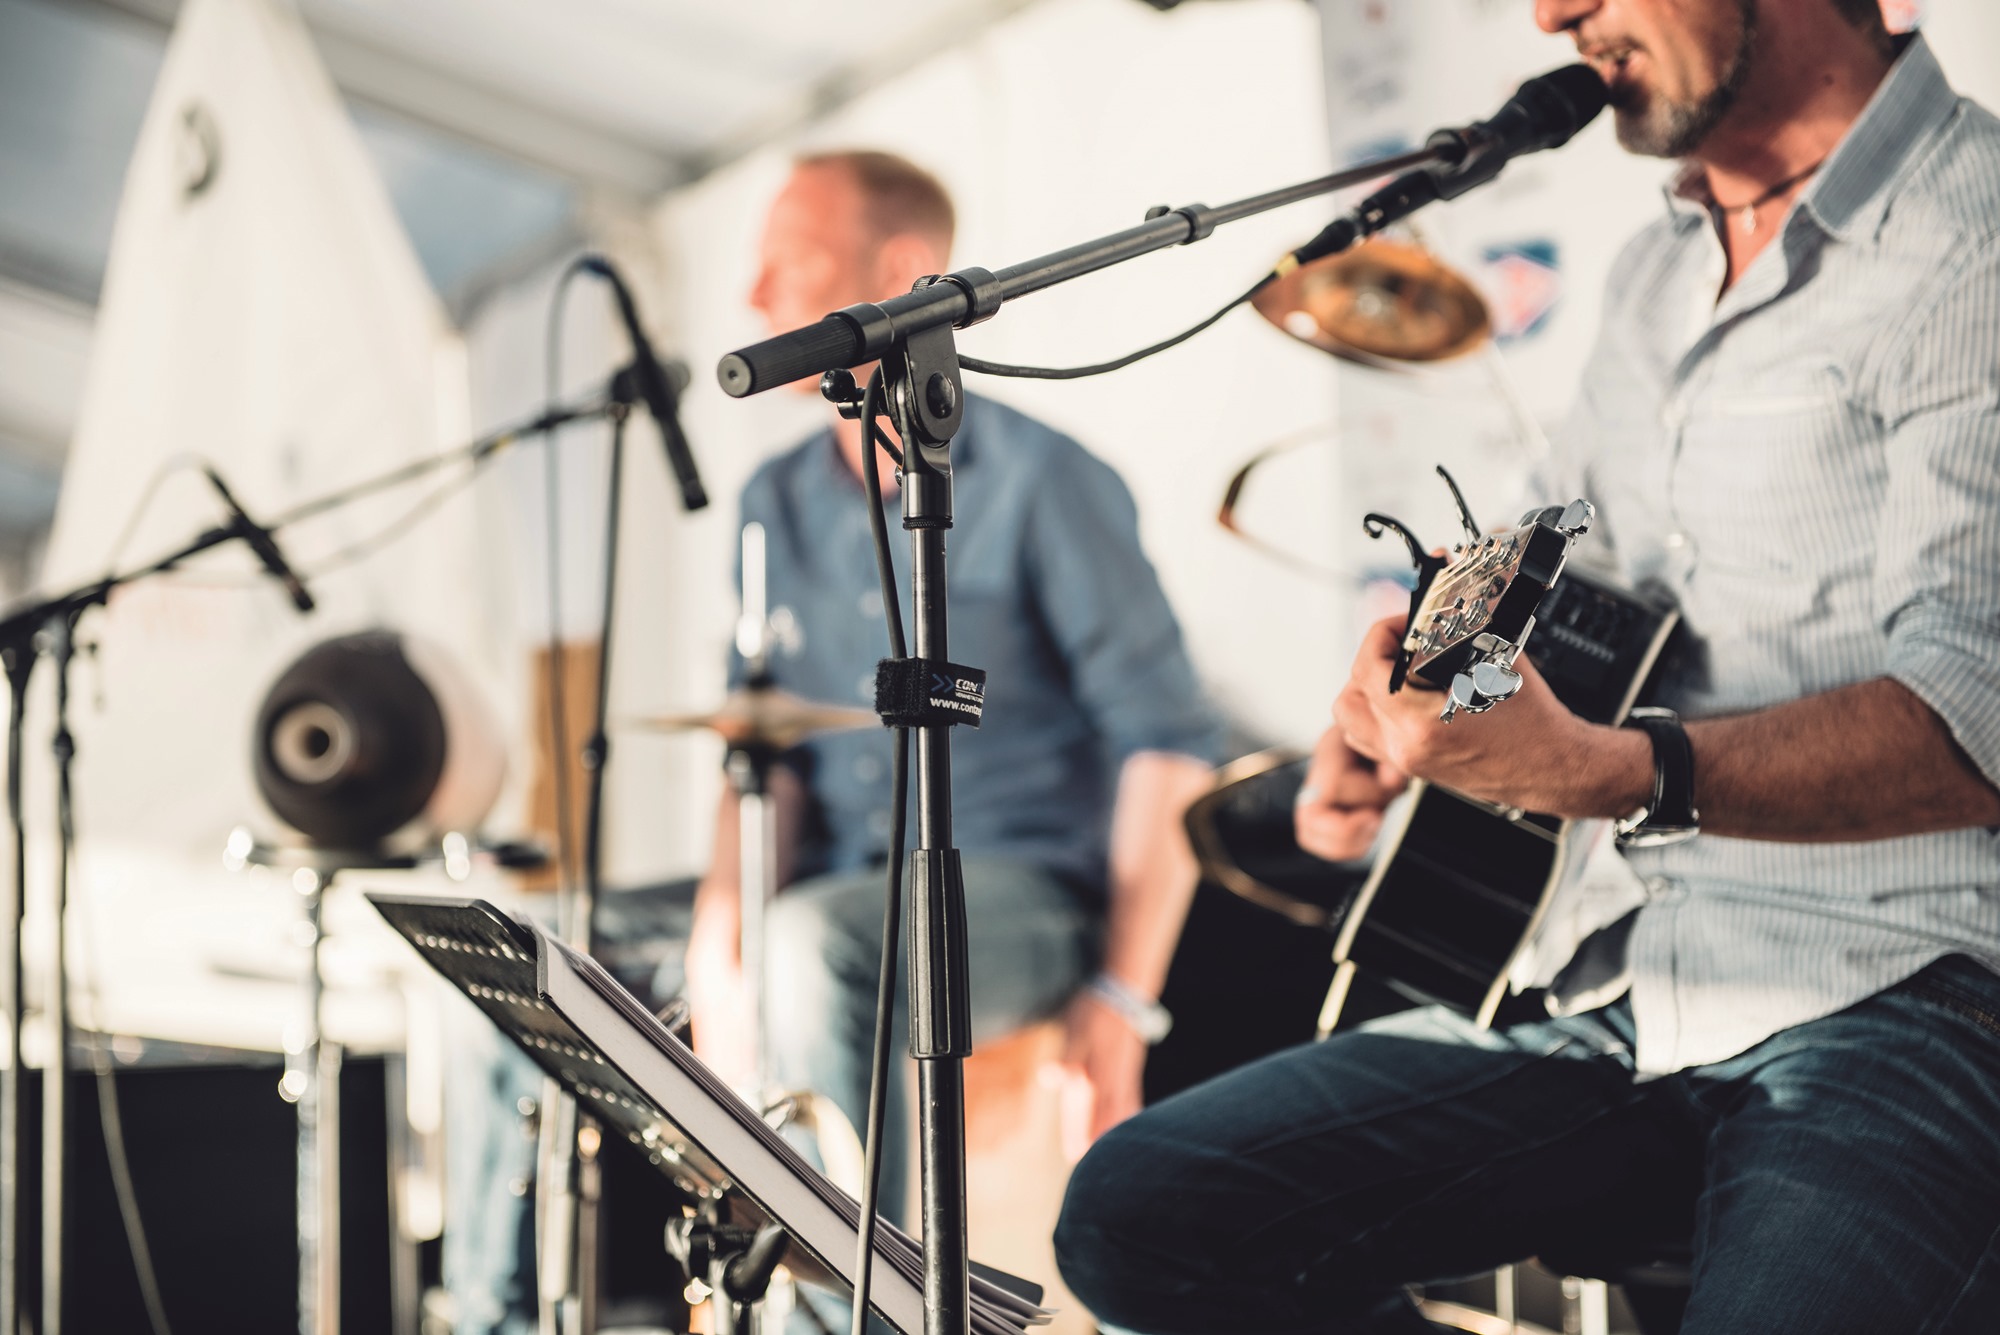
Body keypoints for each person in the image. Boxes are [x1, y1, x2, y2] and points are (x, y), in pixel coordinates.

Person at [1055, 3, 2000, 1332]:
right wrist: (1406, 705)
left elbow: (1974, 720)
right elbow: (1560, 565)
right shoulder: (1655, 269)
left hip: (1916, 991)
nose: (1554, 13)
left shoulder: (1976, 235)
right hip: (1618, 982)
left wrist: (1606, 771)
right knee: (1135, 1214)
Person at [682, 149, 1222, 1235]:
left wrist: (1121, 999)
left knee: (814, 950)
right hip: (830, 886)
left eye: (792, 260)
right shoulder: (769, 500)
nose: (754, 295)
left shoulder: (1046, 479)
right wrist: (718, 931)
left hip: (1024, 898)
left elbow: (1168, 742)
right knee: (545, 951)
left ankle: (849, 1304)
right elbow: (762, 752)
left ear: (901, 270)